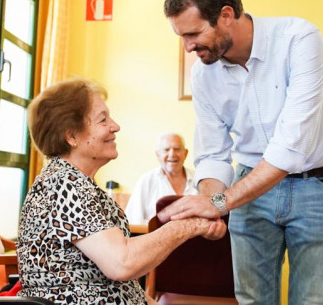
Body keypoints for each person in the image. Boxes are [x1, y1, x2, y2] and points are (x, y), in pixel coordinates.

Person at [160, 0, 323, 304]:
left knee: (312, 300)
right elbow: (212, 154)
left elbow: (290, 149)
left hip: (319, 185)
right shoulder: (204, 77)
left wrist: (218, 203)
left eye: (193, 34)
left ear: (225, 15)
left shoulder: (300, 39)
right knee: (251, 299)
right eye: (181, 37)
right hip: (249, 185)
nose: (188, 47)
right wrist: (212, 203)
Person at [17, 78, 223, 304]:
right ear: (71, 136)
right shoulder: (63, 184)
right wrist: (190, 224)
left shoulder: (73, 182)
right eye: (103, 120)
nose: (115, 126)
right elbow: (122, 263)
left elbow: (120, 280)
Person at [125, 133, 197, 225]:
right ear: (158, 155)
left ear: (185, 153)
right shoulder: (146, 181)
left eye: (177, 149)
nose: (172, 154)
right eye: (166, 150)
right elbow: (132, 222)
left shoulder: (199, 180)